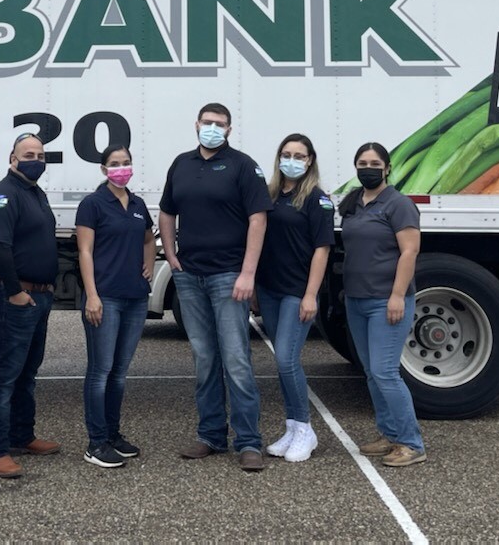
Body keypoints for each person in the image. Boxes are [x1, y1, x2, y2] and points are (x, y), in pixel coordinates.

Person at [158, 102, 274, 472]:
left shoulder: (242, 165)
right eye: (207, 122)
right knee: (204, 359)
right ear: (196, 124)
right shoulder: (181, 164)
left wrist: (247, 273)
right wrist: (171, 254)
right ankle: (210, 435)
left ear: (229, 130)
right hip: (189, 276)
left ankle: (249, 441)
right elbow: (166, 211)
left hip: (228, 276)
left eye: (219, 124)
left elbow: (258, 220)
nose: (212, 128)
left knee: (236, 359)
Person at [337, 141, 426, 467]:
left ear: (387, 168)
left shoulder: (398, 204)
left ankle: (411, 443)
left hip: (385, 301)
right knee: (372, 373)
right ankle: (389, 433)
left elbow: (409, 252)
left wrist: (396, 296)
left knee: (385, 372)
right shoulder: (355, 203)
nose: (367, 168)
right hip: (357, 300)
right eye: (362, 162)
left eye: (374, 163)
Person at [0, 133, 61, 478]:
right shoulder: (4, 194)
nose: (36, 160)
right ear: (12, 158)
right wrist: (15, 291)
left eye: (41, 155)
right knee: (4, 376)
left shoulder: (34, 192)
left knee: (27, 373)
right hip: (14, 298)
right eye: (29, 154)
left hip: (38, 297)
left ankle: (22, 436)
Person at [256, 133, 335, 463]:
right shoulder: (270, 196)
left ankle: (305, 429)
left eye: (299, 155)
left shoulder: (317, 200)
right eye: (286, 154)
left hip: (296, 293)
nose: (292, 160)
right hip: (270, 291)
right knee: (281, 361)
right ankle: (291, 427)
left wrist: (310, 295)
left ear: (310, 161)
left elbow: (322, 250)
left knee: (288, 359)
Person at [75, 144, 154, 468]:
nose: (121, 168)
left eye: (126, 163)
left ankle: (113, 435)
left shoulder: (137, 204)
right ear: (103, 169)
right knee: (101, 371)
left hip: (135, 298)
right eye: (114, 164)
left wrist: (148, 266)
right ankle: (96, 443)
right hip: (105, 298)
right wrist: (92, 296)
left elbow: (149, 239)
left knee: (119, 374)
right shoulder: (92, 204)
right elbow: (85, 252)